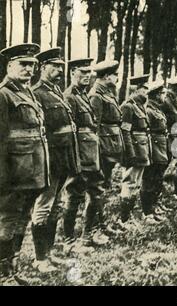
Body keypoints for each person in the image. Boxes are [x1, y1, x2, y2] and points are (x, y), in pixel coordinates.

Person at [0, 43, 47, 281]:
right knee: (6, 222)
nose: (29, 69)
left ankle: (12, 270)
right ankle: (2, 275)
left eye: (32, 65)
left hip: (30, 171)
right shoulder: (3, 94)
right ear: (10, 66)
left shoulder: (26, 92)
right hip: (13, 174)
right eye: (23, 64)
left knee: (21, 220)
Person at [31, 48, 80, 272]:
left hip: (62, 158)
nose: (59, 70)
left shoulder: (57, 92)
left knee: (56, 206)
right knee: (44, 207)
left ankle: (49, 254)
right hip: (49, 159)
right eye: (54, 66)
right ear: (42, 68)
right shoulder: (37, 93)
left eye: (61, 66)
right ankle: (40, 258)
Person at [63, 58, 108, 248]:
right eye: (82, 71)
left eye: (89, 72)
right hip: (79, 155)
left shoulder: (83, 95)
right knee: (74, 195)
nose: (87, 75)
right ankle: (69, 239)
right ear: (73, 72)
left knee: (96, 191)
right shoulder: (70, 97)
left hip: (91, 153)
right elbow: (71, 132)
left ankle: (87, 234)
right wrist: (76, 160)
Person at [119, 74, 153, 223]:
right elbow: (125, 131)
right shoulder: (127, 107)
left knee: (136, 184)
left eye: (146, 89)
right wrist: (130, 153)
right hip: (134, 150)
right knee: (129, 183)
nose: (146, 92)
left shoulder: (139, 107)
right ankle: (124, 219)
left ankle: (130, 215)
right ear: (134, 90)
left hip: (142, 150)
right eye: (143, 90)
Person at [141, 80, 173, 223]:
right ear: (155, 95)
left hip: (160, 145)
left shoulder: (157, 109)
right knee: (149, 179)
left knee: (158, 178)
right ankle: (147, 212)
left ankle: (154, 206)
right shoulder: (148, 110)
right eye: (162, 93)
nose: (164, 96)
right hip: (153, 147)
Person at [90, 60, 124, 190]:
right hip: (104, 141)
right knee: (102, 174)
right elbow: (95, 124)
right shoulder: (96, 95)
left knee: (107, 173)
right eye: (115, 74)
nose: (117, 78)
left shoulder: (107, 92)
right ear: (106, 76)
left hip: (111, 139)